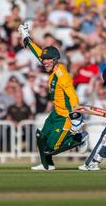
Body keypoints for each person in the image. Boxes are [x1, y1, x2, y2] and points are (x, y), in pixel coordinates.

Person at [18, 23, 88, 171]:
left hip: (66, 116)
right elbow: (39, 53)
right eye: (44, 60)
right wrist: (27, 38)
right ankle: (47, 165)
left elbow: (71, 93)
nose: (45, 62)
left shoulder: (61, 75)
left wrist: (76, 113)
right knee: (42, 138)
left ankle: (80, 138)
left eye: (49, 60)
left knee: (52, 146)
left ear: (56, 60)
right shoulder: (49, 65)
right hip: (56, 113)